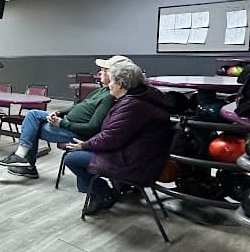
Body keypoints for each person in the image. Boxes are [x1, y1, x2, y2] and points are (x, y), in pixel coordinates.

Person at [63, 60, 173, 215]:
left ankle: (104, 193)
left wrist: (85, 145)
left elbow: (110, 137)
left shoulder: (132, 105)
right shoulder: (143, 96)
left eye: (112, 81)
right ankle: (97, 193)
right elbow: (115, 135)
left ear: (120, 84)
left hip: (134, 164)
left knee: (71, 158)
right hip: (141, 156)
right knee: (80, 154)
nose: (109, 85)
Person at [0, 55, 130, 179]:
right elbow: (78, 106)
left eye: (104, 70)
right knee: (33, 115)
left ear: (115, 75)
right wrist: (59, 113)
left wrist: (61, 123)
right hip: (66, 121)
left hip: (73, 131)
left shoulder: (109, 97)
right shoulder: (102, 90)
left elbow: (93, 128)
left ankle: (25, 160)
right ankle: (25, 162)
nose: (100, 73)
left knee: (32, 127)